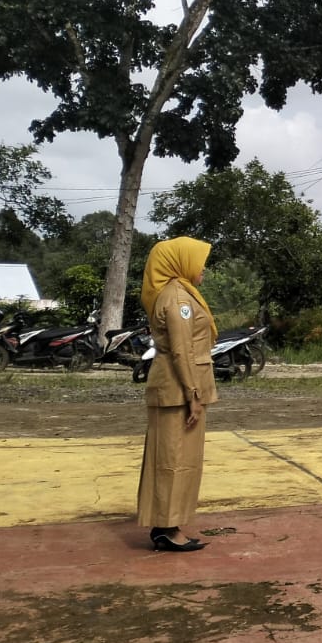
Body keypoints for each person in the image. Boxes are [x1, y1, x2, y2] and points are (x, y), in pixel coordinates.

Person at [137, 236, 217, 552]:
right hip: (177, 389)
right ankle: (167, 530)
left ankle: (169, 525)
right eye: (200, 261)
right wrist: (193, 395)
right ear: (180, 262)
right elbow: (182, 349)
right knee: (172, 459)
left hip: (177, 387)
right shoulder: (177, 299)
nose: (204, 269)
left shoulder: (179, 294)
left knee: (178, 459)